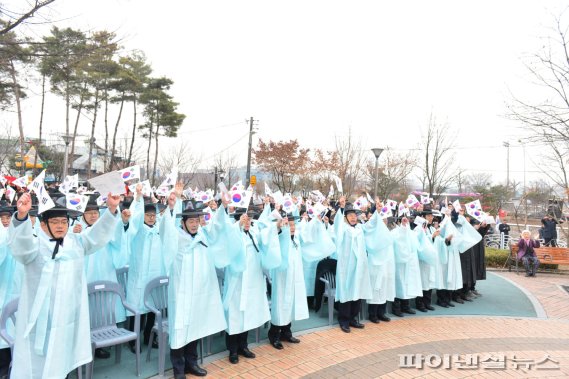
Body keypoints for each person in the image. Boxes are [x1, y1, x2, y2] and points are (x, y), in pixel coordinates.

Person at [8, 192, 120, 379]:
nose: (60, 226)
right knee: (37, 367)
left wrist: (111, 210)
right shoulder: (34, 246)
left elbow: (97, 236)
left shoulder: (76, 244)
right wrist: (21, 216)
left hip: (67, 321)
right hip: (40, 324)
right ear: (43, 224)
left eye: (63, 221)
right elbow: (21, 246)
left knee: (62, 364)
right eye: (55, 221)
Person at [162, 184, 238, 378]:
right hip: (181, 292)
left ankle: (191, 363)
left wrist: (222, 206)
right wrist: (172, 205)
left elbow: (219, 227)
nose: (195, 224)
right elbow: (166, 229)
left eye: (197, 220)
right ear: (183, 222)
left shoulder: (204, 235)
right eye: (191, 221)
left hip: (199, 292)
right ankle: (178, 369)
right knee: (180, 330)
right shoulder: (176, 237)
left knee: (195, 327)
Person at [223, 202, 281, 364]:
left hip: (252, 282)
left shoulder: (254, 233)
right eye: (244, 219)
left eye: (249, 219)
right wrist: (237, 226)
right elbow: (228, 241)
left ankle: (243, 346)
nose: (248, 222)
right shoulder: (234, 233)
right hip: (237, 282)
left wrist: (276, 226)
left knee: (247, 315)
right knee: (235, 317)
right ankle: (233, 350)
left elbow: (267, 236)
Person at [267, 210, 334, 349]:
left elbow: (309, 232)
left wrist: (316, 220)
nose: (292, 227)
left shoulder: (297, 237)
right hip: (282, 278)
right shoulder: (279, 237)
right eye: (289, 225)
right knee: (280, 305)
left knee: (290, 304)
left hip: (294, 276)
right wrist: (280, 226)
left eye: (293, 225)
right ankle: (274, 334)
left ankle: (287, 331)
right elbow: (272, 236)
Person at [330, 196, 388, 333]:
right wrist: (342, 207)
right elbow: (337, 223)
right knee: (346, 292)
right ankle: (343, 320)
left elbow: (372, 224)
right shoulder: (343, 228)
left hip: (359, 266)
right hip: (346, 267)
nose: (353, 218)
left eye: (354, 215)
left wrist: (377, 211)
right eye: (349, 215)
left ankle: (353, 319)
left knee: (357, 292)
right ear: (346, 217)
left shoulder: (361, 228)